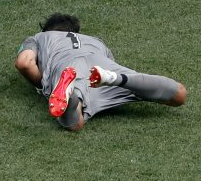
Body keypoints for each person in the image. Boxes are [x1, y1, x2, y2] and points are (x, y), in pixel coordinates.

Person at [15, 13, 187, 131]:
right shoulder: (96, 41)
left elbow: (24, 63)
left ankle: (72, 95)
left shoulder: (40, 37)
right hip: (101, 66)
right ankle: (116, 78)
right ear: (75, 31)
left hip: (67, 66)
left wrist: (42, 84)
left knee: (76, 124)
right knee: (179, 95)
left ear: (48, 30)